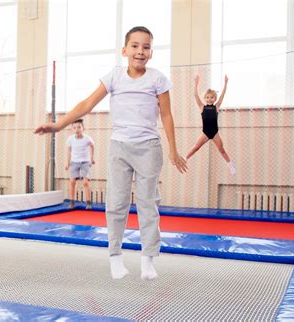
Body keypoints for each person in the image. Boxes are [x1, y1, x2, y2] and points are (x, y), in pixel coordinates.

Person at [35, 26, 187, 281]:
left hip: (149, 146)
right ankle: (115, 256)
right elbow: (87, 103)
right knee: (117, 203)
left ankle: (148, 258)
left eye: (146, 47)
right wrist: (59, 125)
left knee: (149, 203)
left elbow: (166, 114)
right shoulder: (114, 77)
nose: (140, 51)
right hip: (120, 147)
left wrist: (173, 149)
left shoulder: (157, 79)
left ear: (151, 52)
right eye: (135, 46)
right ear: (125, 50)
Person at [185, 74, 236, 175]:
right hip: (205, 133)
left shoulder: (216, 106)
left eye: (212, 97)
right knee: (196, 147)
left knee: (221, 149)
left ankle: (230, 164)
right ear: (205, 98)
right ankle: (185, 158)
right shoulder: (202, 107)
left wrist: (225, 83)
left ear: (215, 98)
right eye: (207, 97)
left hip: (215, 133)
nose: (209, 99)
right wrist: (196, 83)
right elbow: (195, 95)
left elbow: (223, 95)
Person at [65, 119, 95, 210]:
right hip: (74, 162)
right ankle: (72, 202)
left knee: (86, 182)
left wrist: (92, 158)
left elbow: (92, 146)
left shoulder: (87, 138)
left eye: (79, 127)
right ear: (72, 129)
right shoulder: (70, 139)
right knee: (72, 181)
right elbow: (69, 151)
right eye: (75, 128)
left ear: (83, 128)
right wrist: (68, 163)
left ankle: (89, 202)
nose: (77, 129)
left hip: (85, 162)